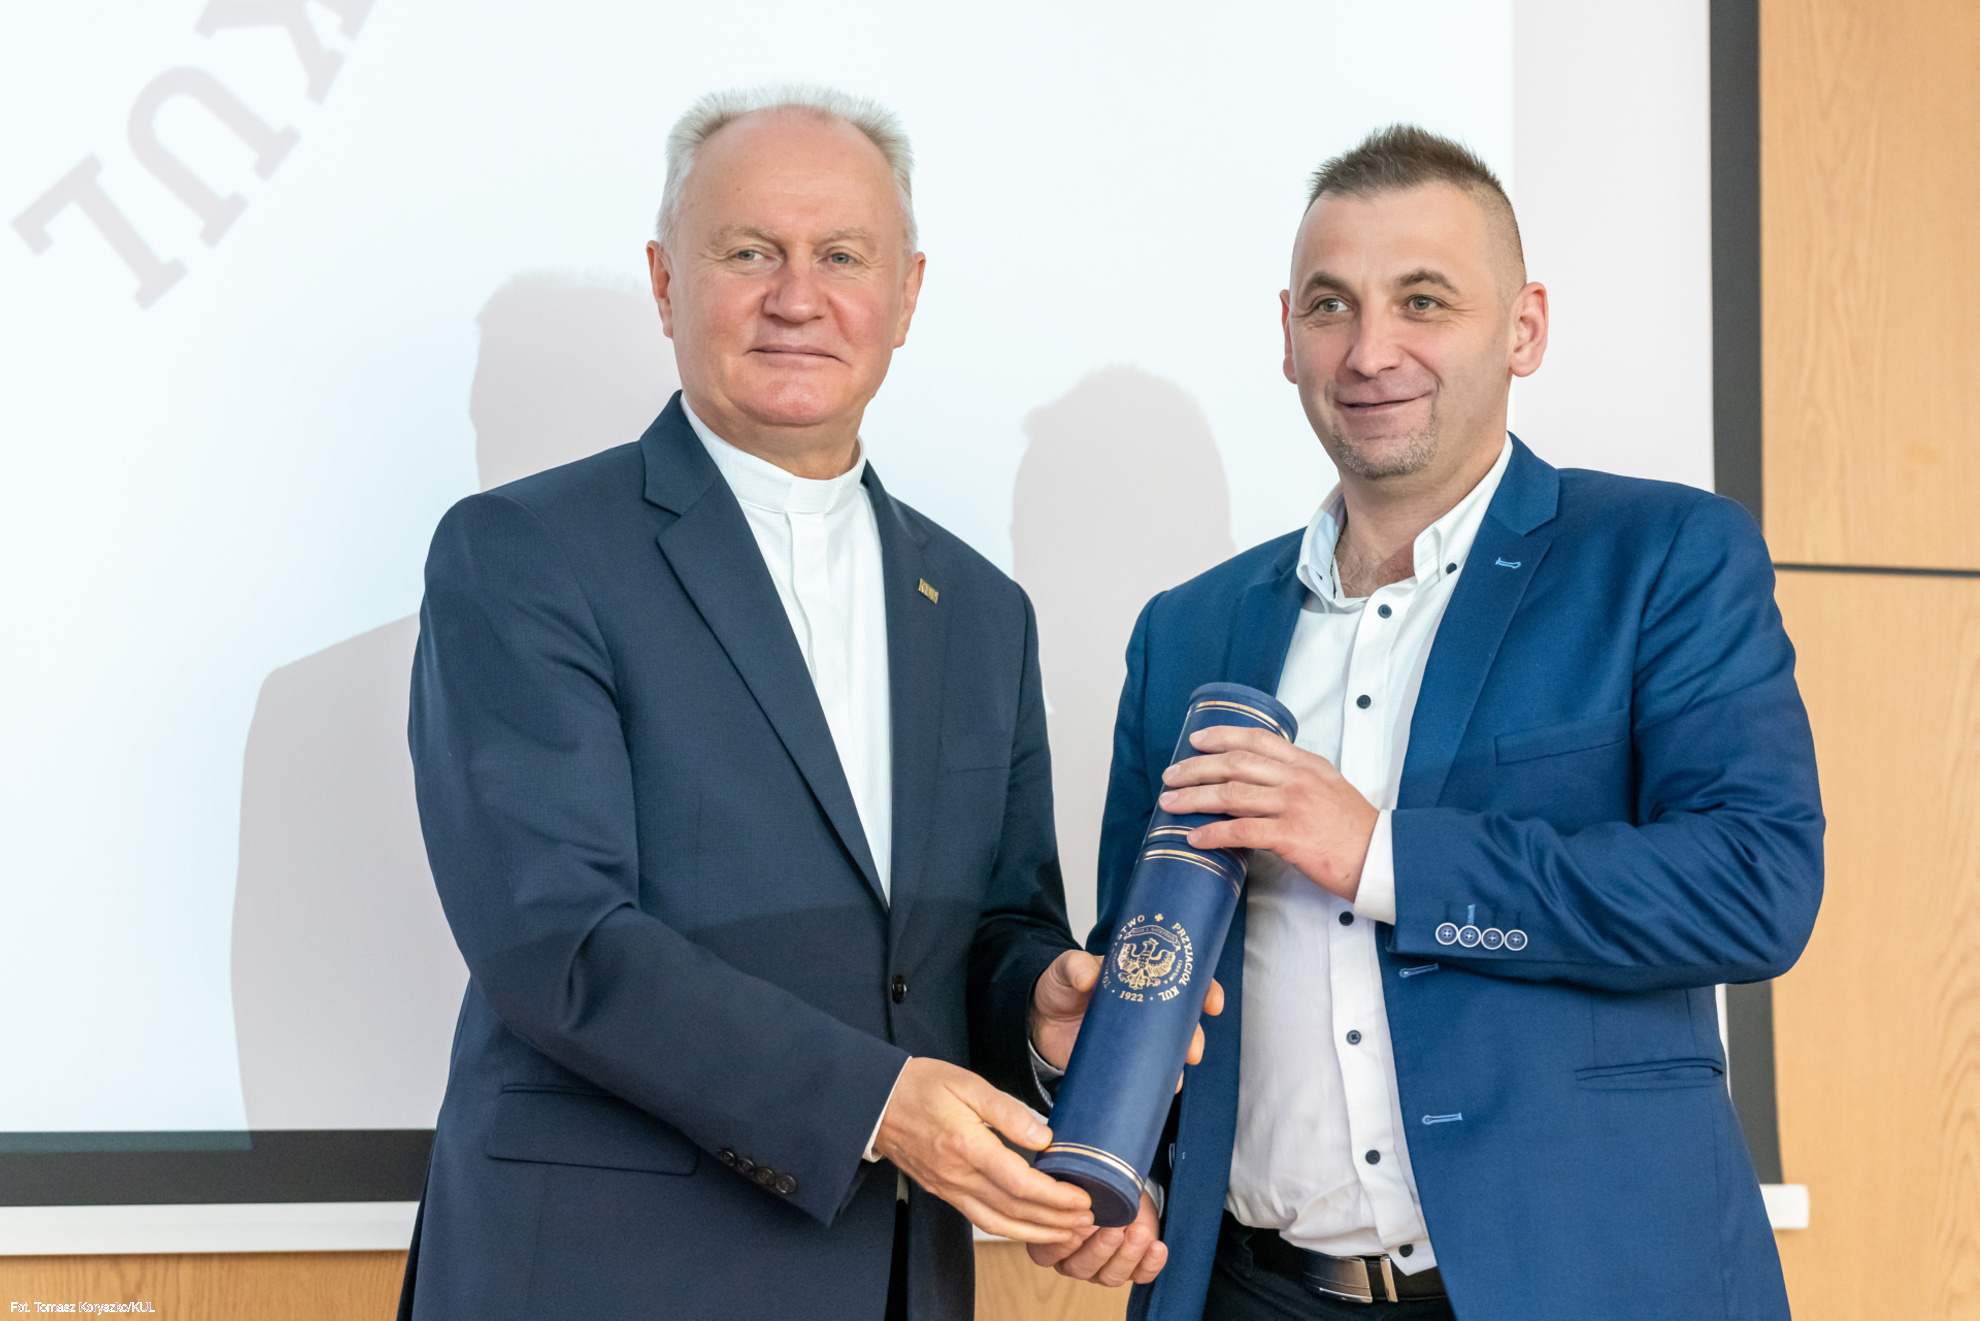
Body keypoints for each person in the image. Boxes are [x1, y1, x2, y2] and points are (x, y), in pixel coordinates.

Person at [1028, 125, 1824, 1321]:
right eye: (1331, 305)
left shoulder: (1662, 557)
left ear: (1525, 328)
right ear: (1287, 334)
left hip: (1585, 1287)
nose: (1369, 350)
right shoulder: (1186, 631)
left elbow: (1754, 887)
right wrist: (1103, 1125)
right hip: (1251, 1291)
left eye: (1423, 300)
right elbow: (1150, 964)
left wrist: (1381, 854)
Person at [398, 85, 1101, 1321]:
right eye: (749, 252)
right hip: (597, 1280)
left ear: (907, 295)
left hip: (891, 1279)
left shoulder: (983, 610)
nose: (797, 296)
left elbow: (991, 931)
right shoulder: (525, 552)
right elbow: (557, 938)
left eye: (843, 256)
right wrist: (877, 1104)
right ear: (667, 283)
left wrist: (1037, 1015)